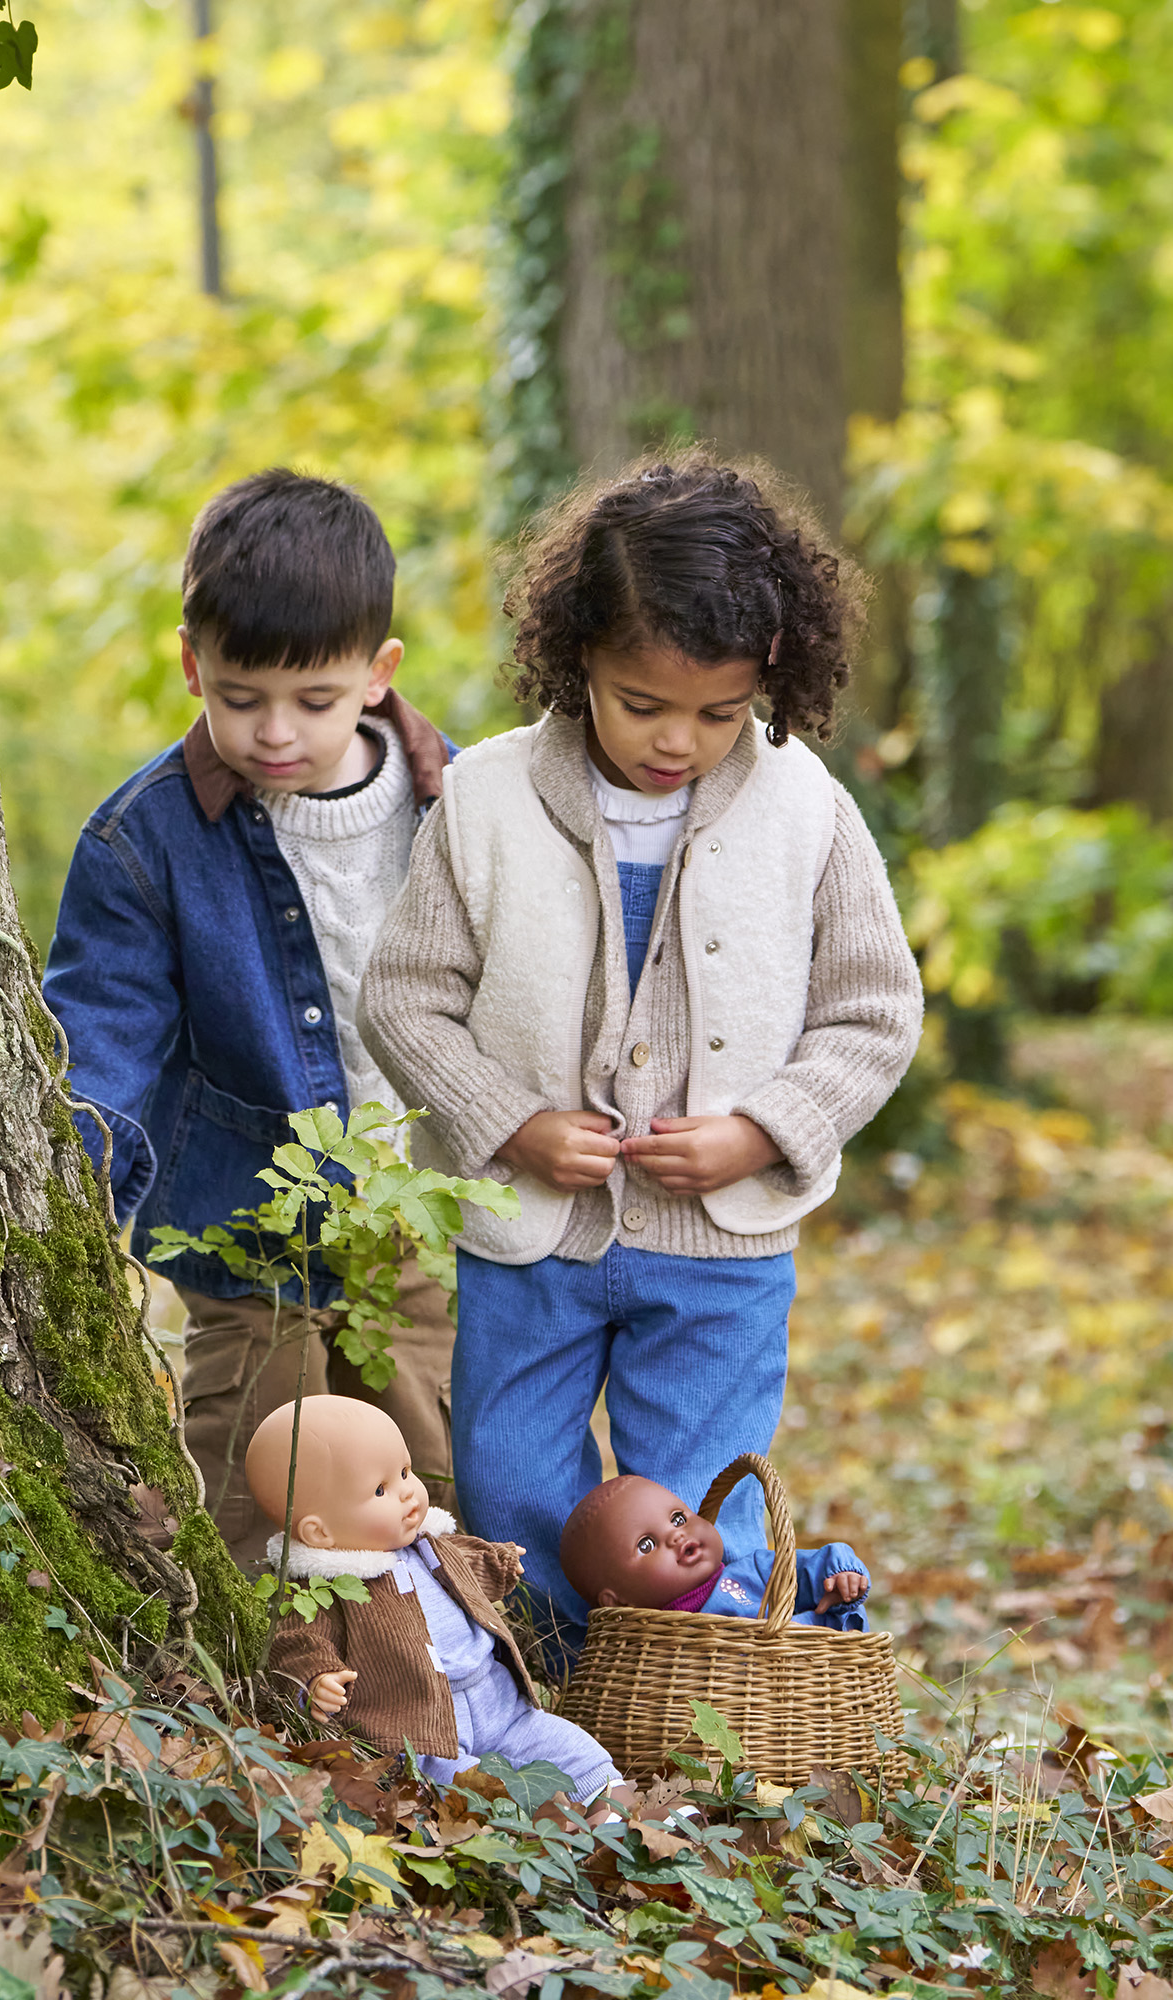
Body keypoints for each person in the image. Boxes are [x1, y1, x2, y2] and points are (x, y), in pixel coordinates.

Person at [356, 452, 922, 1664]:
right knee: (510, 1485)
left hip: (720, 1248)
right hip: (528, 1235)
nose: (679, 740)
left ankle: (700, 1698)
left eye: (719, 713)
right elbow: (403, 996)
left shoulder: (805, 809)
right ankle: (554, 1691)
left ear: (774, 677)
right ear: (577, 663)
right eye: (641, 703)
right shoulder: (486, 797)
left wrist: (760, 1128)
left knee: (694, 1509)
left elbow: (873, 1011)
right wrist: (505, 1117)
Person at [42, 470, 458, 1570]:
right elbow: (104, 1036)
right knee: (254, 1477)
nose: (274, 732)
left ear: (376, 674)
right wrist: (72, 1195)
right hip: (244, 1223)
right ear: (191, 664)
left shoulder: (461, 803)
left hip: (413, 1206)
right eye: (237, 697)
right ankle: (273, 1696)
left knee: (431, 1466)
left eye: (313, 701)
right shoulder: (143, 839)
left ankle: (452, 1682)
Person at [248, 1394, 622, 1800]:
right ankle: (529, 1826)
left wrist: (497, 1563)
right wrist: (316, 1680)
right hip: (422, 1726)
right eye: (380, 1490)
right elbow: (298, 1641)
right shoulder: (325, 1586)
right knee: (466, 1788)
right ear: (320, 1534)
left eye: (406, 1472)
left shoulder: (428, 1545)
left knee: (568, 1745)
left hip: (499, 1702)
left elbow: (465, 1570)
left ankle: (611, 1799)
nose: (409, 1493)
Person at [559, 1474, 870, 1630]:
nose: (676, 1535)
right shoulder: (645, 1646)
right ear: (619, 1602)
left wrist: (839, 1574)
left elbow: (804, 1570)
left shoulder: (754, 1572)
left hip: (802, 1677)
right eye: (646, 1545)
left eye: (678, 1518)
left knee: (835, 1616)